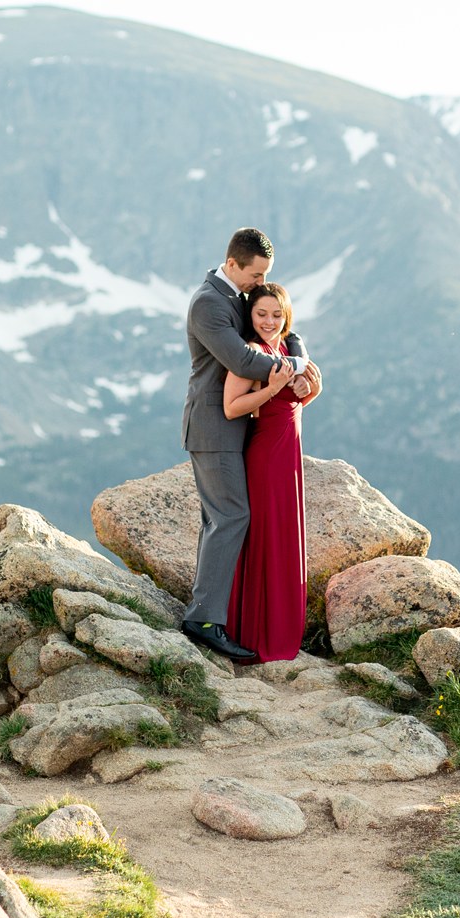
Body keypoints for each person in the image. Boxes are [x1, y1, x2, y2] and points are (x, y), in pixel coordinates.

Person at [180, 227, 320, 662]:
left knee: (219, 519)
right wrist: (295, 365)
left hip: (238, 432)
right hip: (214, 427)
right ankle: (203, 619)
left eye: (265, 276)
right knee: (231, 517)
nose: (259, 283)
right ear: (233, 263)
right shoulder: (208, 304)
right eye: (255, 274)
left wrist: (297, 350)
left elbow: (281, 326)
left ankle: (210, 611)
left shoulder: (237, 297)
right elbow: (241, 360)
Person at [223, 281, 318, 661]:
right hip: (264, 458)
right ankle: (252, 632)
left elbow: (293, 406)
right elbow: (233, 406)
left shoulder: (286, 349)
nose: (269, 321)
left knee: (284, 538)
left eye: (276, 314)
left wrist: (313, 389)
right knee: (265, 538)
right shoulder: (250, 353)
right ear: (251, 315)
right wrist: (272, 387)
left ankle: (280, 630)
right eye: (261, 314)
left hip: (288, 456)